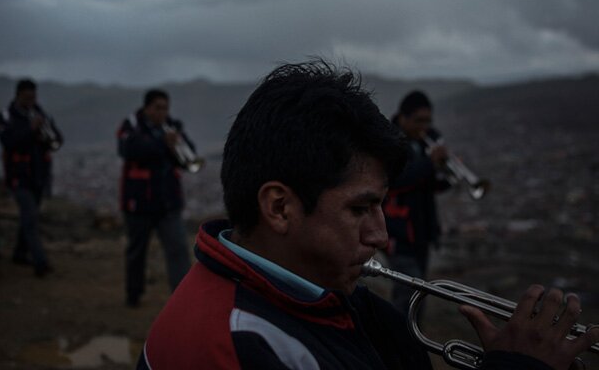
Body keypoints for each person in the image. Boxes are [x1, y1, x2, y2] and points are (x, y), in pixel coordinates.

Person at [137, 60, 597, 370]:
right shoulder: (239, 345)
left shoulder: (319, 289)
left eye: (380, 204)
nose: (380, 236)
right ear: (280, 207)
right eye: (360, 208)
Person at [117, 89, 194, 307]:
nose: (163, 113)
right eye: (158, 108)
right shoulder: (131, 124)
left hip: (168, 203)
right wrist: (163, 142)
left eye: (166, 108)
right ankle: (133, 295)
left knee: (178, 249)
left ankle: (183, 300)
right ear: (147, 108)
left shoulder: (173, 127)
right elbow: (130, 150)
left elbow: (188, 155)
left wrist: (176, 144)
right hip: (138, 203)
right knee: (136, 251)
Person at [383, 90, 451, 311]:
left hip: (422, 233)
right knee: (409, 294)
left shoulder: (427, 141)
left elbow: (431, 185)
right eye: (418, 121)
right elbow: (395, 180)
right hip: (399, 233)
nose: (424, 126)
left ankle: (412, 340)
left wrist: (447, 173)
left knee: (419, 296)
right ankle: (400, 341)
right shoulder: (389, 142)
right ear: (402, 118)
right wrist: (431, 163)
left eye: (428, 120)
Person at [0, 78, 63, 277]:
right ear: (18, 96)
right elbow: (9, 141)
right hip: (19, 176)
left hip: (38, 175)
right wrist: (31, 129)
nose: (31, 101)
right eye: (27, 98)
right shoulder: (7, 116)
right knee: (31, 217)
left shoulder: (41, 114)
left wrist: (46, 136)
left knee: (30, 216)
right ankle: (40, 262)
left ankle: (19, 254)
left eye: (33, 97)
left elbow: (57, 140)